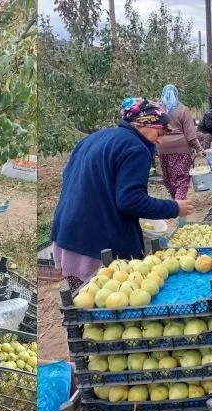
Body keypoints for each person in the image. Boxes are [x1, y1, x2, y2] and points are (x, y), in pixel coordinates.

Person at [51, 98, 191, 292]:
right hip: (96, 245)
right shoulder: (135, 148)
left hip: (67, 234)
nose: (159, 141)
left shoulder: (92, 139)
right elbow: (130, 201)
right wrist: (174, 207)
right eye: (159, 133)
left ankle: (79, 323)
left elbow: (72, 179)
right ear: (143, 123)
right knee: (111, 309)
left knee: (82, 305)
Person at [156, 84, 206, 200]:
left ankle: (175, 202)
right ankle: (179, 206)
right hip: (181, 149)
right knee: (182, 178)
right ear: (177, 95)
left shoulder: (159, 111)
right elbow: (190, 133)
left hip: (162, 147)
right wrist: (199, 149)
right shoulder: (182, 110)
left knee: (169, 178)